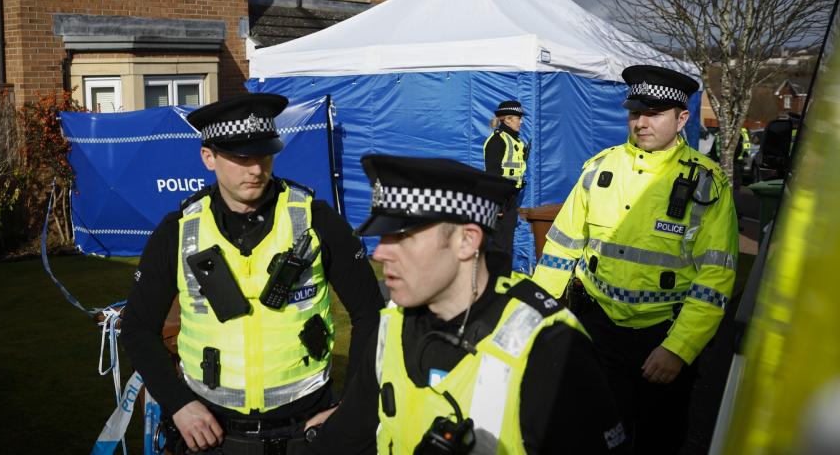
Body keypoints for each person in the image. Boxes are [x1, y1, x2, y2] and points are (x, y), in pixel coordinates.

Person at [306, 155, 627, 454]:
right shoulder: (393, 323)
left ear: (467, 240)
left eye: (402, 238)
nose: (380, 254)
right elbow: (350, 433)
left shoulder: (551, 348)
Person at [121, 93, 384, 454]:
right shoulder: (178, 230)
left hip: (306, 432)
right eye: (241, 158)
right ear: (208, 157)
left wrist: (352, 405)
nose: (256, 169)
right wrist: (179, 404)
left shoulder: (317, 220)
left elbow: (371, 313)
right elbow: (136, 327)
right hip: (212, 436)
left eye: (264, 154)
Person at [532, 64, 738, 454]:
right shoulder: (600, 169)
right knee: (592, 434)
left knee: (657, 440)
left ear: (682, 119)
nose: (641, 122)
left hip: (661, 337)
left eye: (654, 113)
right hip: (595, 328)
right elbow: (561, 246)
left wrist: (679, 348)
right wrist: (540, 314)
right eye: (635, 112)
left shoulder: (707, 184)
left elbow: (714, 278)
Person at [483, 99, 533, 277]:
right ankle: (494, 283)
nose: (522, 121)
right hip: (501, 200)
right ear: (508, 119)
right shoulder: (497, 140)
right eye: (518, 118)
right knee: (499, 245)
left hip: (510, 199)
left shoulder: (514, 141)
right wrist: (497, 205)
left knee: (506, 245)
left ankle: (502, 280)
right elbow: (493, 175)